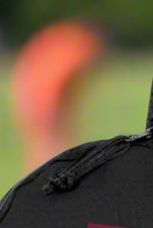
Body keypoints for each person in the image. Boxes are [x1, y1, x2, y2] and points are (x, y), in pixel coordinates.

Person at [11, 21, 104, 173]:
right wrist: (52, 114)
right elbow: (53, 85)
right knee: (49, 144)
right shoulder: (77, 54)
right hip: (39, 94)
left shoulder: (71, 46)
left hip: (33, 84)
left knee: (53, 143)